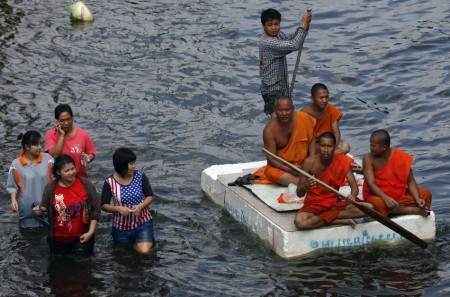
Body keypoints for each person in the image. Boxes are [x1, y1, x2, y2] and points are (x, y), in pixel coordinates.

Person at [294, 132, 374, 230]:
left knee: (369, 208)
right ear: (318, 146)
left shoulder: (343, 161)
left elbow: (354, 188)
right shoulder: (309, 162)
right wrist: (304, 187)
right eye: (323, 146)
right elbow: (299, 194)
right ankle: (338, 220)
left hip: (334, 204)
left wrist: (352, 196)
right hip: (313, 205)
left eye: (329, 146)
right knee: (300, 222)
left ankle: (327, 218)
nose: (326, 150)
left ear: (334, 147)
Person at [33, 154, 100, 255]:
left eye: (73, 169)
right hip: (58, 239)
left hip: (83, 236)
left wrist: (90, 233)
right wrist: (39, 211)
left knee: (84, 266)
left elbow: (96, 209)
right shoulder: (50, 188)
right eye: (66, 171)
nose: (71, 173)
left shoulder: (86, 185)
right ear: (58, 172)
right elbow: (45, 209)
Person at [362, 129, 432, 218]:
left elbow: (410, 181)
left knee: (426, 194)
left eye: (373, 146)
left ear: (384, 147)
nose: (371, 148)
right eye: (370, 145)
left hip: (398, 195)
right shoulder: (368, 158)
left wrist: (417, 198)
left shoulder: (400, 156)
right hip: (378, 195)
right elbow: (370, 183)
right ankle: (412, 210)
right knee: (377, 203)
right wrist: (385, 197)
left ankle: (396, 210)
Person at [259, 8, 312, 117]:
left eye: (276, 24)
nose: (274, 27)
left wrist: (304, 26)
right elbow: (294, 45)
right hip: (272, 90)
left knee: (285, 120)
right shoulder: (267, 42)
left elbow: (292, 38)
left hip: (281, 86)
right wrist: (303, 25)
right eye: (270, 25)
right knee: (277, 122)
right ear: (264, 26)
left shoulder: (278, 35)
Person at [101, 148, 155, 254]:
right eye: (130, 164)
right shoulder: (109, 182)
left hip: (142, 223)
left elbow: (150, 196)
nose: (134, 166)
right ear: (121, 166)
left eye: (134, 163)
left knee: (144, 251)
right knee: (124, 255)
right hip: (121, 227)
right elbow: (104, 205)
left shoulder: (140, 176)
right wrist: (118, 209)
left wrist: (141, 205)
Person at [253, 96, 316, 186]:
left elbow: (312, 140)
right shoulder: (269, 131)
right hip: (283, 167)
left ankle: (306, 180)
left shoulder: (303, 118)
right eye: (280, 110)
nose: (284, 113)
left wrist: (311, 161)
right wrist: (290, 169)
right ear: (275, 110)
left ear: (293, 109)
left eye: (287, 110)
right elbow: (271, 158)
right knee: (271, 172)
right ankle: (304, 182)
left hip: (304, 164)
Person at [6, 131, 54, 228]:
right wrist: (13, 199)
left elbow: (58, 180)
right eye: (36, 144)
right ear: (27, 147)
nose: (40, 147)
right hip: (27, 211)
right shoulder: (16, 165)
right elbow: (12, 186)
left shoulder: (48, 160)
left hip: (47, 209)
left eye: (40, 144)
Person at [45, 104, 96, 179]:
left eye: (68, 119)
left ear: (72, 118)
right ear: (56, 121)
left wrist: (87, 159)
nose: (66, 123)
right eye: (62, 120)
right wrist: (62, 135)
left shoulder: (83, 134)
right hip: (60, 178)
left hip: (80, 177)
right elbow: (54, 155)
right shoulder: (50, 134)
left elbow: (92, 153)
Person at [301, 83, 351, 155]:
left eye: (326, 97)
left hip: (327, 144)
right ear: (312, 98)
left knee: (346, 147)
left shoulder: (330, 109)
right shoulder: (304, 114)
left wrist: (332, 147)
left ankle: (326, 155)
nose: (324, 100)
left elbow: (336, 133)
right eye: (321, 98)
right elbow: (305, 139)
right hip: (312, 147)